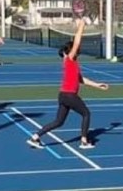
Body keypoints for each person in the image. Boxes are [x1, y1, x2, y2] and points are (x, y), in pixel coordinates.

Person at [26, 18, 109, 150]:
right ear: (70, 51)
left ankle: (35, 137)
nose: (77, 50)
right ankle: (84, 141)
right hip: (70, 95)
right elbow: (76, 42)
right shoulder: (69, 60)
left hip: (63, 95)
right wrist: (81, 26)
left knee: (59, 122)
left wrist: (97, 85)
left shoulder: (73, 65)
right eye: (75, 49)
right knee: (86, 114)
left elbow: (81, 80)